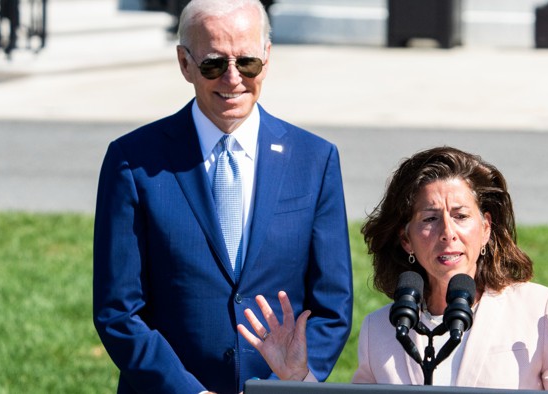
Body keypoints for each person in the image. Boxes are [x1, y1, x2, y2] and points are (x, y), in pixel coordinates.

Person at [92, 0, 353, 393]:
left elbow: (332, 304)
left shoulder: (315, 160)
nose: (233, 79)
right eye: (214, 64)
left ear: (267, 57)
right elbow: (118, 310)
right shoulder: (133, 161)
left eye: (247, 62)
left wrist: (293, 381)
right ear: (184, 63)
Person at [240, 146, 548, 392]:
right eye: (429, 219)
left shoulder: (540, 309)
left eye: (460, 216)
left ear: (486, 228)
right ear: (406, 239)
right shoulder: (381, 330)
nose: (447, 233)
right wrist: (297, 377)